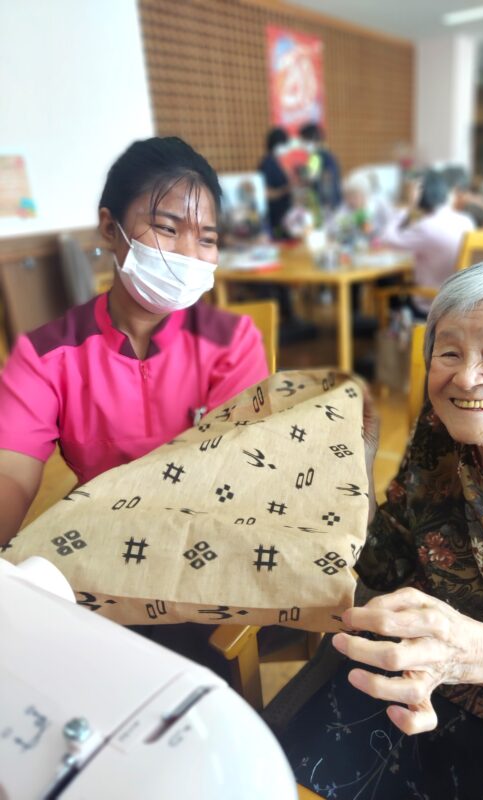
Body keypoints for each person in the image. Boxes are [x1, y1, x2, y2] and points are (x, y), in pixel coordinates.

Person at [273, 261, 483, 797]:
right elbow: (386, 566)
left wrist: (481, 654)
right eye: (448, 353)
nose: (466, 378)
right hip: (419, 677)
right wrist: (355, 471)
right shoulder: (440, 430)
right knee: (272, 771)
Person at [0, 136, 269, 546]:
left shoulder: (232, 343)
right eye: (167, 228)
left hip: (204, 539)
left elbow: (234, 470)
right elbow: (10, 474)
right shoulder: (45, 356)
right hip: (100, 541)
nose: (189, 254)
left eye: (207, 239)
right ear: (111, 228)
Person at [379, 170, 475, 317]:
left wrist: (409, 207)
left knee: (386, 284)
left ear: (420, 197)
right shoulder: (466, 222)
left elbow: (386, 238)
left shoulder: (426, 227)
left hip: (431, 304)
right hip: (461, 304)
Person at [257, 127, 293, 240]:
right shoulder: (267, 164)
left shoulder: (276, 162)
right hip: (274, 216)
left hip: (283, 214)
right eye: (284, 144)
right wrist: (285, 190)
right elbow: (265, 193)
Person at [298, 122, 342, 212]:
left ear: (312, 139)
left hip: (326, 203)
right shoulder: (326, 153)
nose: (302, 143)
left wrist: (301, 172)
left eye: (303, 140)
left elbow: (312, 176)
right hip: (331, 201)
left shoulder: (317, 155)